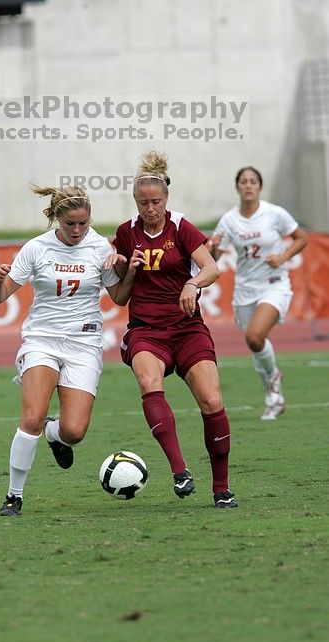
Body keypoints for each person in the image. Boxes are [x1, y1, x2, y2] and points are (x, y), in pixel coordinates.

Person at [0, 185, 132, 516]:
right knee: (32, 417)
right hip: (42, 339)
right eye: (71, 224)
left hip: (84, 343)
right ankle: (14, 495)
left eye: (83, 223)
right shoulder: (37, 248)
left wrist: (128, 268)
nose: (78, 231)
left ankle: (55, 433)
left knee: (74, 431)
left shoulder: (99, 247)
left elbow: (121, 298)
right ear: (57, 218)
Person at [111, 150, 238, 508]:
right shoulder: (126, 233)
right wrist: (123, 264)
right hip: (146, 330)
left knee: (212, 401)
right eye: (143, 202)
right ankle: (180, 470)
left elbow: (210, 268)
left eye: (155, 201)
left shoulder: (181, 227)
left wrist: (192, 284)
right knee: (149, 383)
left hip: (186, 328)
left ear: (166, 199)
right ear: (135, 202)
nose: (150, 208)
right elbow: (119, 288)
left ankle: (221, 488)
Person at [209, 166, 307, 420]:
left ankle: (273, 379)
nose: (248, 185)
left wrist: (283, 256)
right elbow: (214, 257)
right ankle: (275, 397)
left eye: (253, 181)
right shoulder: (230, 220)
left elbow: (301, 238)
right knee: (255, 343)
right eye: (244, 181)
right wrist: (214, 247)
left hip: (274, 284)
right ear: (238, 187)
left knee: (254, 336)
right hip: (245, 289)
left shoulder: (274, 213)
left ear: (260, 186)